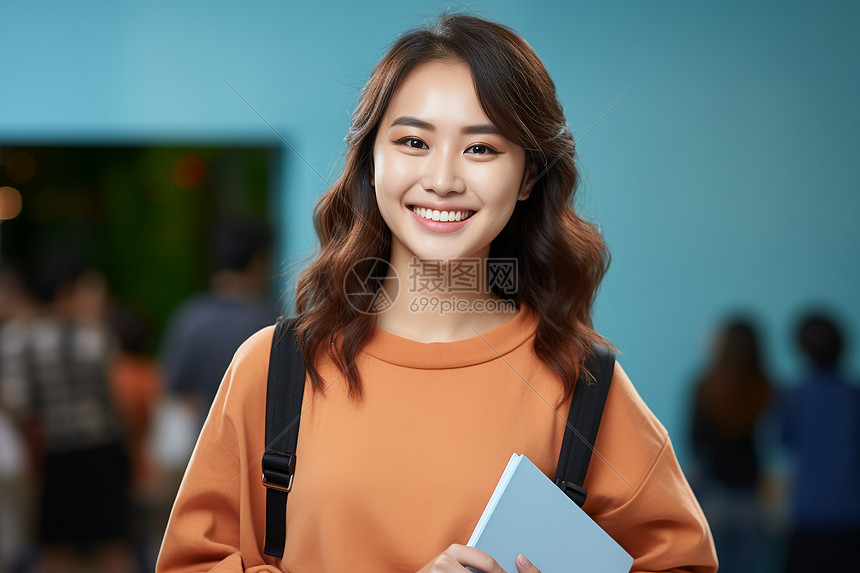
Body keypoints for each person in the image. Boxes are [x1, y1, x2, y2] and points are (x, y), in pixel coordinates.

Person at [157, 14, 717, 573]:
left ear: (527, 179)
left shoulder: (585, 386)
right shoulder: (275, 369)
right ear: (371, 160)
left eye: (482, 149)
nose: (443, 178)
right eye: (413, 141)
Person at [778, 312, 860, 573]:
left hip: (808, 512)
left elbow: (784, 441)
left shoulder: (794, 397)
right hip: (850, 511)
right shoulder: (853, 397)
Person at [689, 319, 771, 573]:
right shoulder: (766, 388)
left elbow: (695, 441)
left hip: (715, 484)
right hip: (750, 486)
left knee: (712, 563)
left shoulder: (705, 385)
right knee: (750, 563)